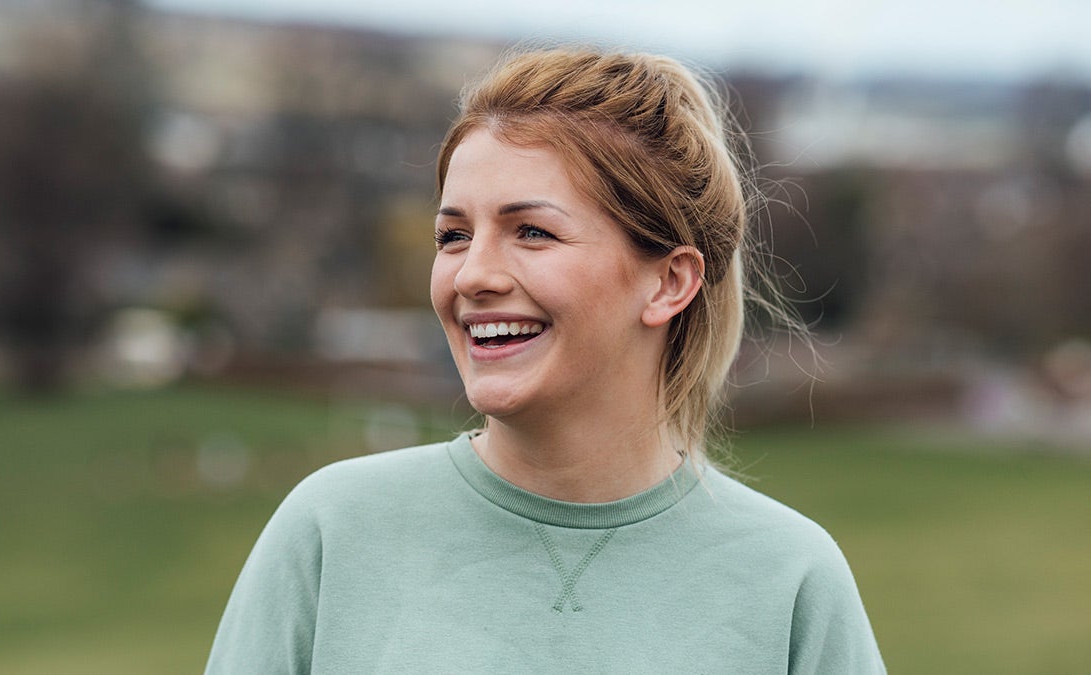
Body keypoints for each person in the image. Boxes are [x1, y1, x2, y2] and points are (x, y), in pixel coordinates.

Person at [206, 47, 885, 673]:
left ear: (669, 281)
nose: (472, 274)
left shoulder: (791, 581)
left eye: (531, 231)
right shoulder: (332, 532)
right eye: (453, 235)